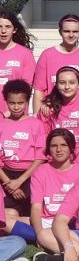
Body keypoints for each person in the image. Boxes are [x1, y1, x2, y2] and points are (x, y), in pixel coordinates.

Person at [1, 79, 46, 242]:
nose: (16, 106)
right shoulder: (1, 124)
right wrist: (9, 183)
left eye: (20, 102)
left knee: (31, 213)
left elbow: (40, 157)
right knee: (9, 214)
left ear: (27, 101)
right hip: (6, 176)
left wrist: (20, 181)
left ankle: (41, 233)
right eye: (12, 103)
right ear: (5, 101)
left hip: (29, 175)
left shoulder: (36, 124)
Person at [30, 129, 79, 254]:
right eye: (54, 146)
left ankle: (70, 248)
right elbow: (36, 207)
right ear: (48, 149)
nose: (59, 150)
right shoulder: (40, 171)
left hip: (70, 223)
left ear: (71, 147)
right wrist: (39, 234)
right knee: (7, 219)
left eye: (63, 145)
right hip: (46, 221)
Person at [32, 14, 79, 112]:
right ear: (60, 32)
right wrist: (36, 117)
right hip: (53, 113)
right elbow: (38, 90)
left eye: (75, 31)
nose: (71, 35)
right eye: (67, 31)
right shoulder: (47, 55)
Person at [40, 66, 79, 156]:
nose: (67, 87)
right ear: (56, 84)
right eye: (62, 83)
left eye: (72, 82)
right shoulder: (49, 107)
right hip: (58, 161)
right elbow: (44, 138)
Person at [0, 11, 35, 91]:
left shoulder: (25, 54)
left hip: (14, 103)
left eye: (8, 26)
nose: (3, 31)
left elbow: (27, 87)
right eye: (0, 26)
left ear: (14, 29)